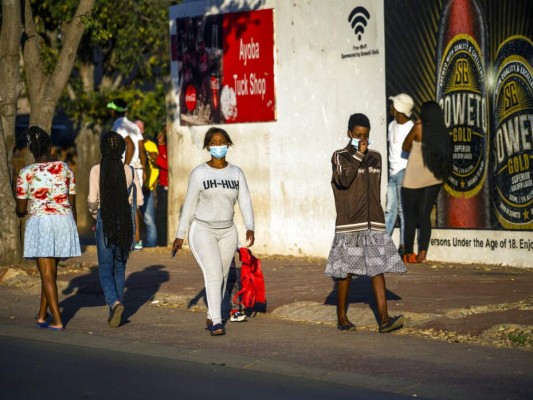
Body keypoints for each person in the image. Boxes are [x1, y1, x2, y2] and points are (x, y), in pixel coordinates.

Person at [325, 114, 406, 333]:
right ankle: (342, 318)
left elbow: (375, 190)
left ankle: (384, 319)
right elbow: (343, 180)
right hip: (349, 224)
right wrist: (358, 155)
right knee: (345, 272)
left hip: (374, 223)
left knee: (377, 269)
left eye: (366, 136)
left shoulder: (376, 157)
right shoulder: (340, 156)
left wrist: (378, 218)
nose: (363, 139)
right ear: (349, 133)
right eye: (358, 135)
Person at [172, 127, 255, 336]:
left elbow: (244, 201)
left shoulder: (236, 172)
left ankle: (212, 312)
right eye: (214, 142)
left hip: (228, 230)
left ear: (228, 144)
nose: (218, 146)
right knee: (214, 273)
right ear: (207, 146)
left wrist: (250, 227)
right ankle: (217, 322)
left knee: (224, 275)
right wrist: (180, 235)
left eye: (222, 142)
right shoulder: (199, 173)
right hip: (203, 230)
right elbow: (189, 204)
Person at [15, 126, 81, 331]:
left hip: (42, 223)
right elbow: (72, 202)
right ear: (49, 147)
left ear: (31, 150)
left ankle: (57, 319)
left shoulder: (26, 173)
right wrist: (73, 227)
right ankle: (43, 315)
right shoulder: (65, 168)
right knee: (50, 272)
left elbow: (21, 208)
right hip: (64, 221)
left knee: (45, 272)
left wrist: (20, 212)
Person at [88, 131, 144, 327]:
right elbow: (139, 200)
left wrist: (96, 215)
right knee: (119, 268)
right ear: (121, 149)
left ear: (103, 148)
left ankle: (114, 302)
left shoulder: (96, 170)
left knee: (105, 268)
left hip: (106, 221)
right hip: (125, 222)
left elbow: (92, 200)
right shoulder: (129, 170)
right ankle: (118, 308)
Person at [401, 101, 453, 264]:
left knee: (410, 217)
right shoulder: (442, 132)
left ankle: (409, 254)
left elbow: (405, 146)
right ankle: (422, 253)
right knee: (424, 216)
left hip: (413, 180)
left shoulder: (418, 128)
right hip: (433, 179)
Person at [107, 99, 146, 250]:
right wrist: (144, 171)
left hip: (126, 170)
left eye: (111, 109)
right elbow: (141, 149)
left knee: (120, 205)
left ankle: (123, 240)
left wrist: (125, 166)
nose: (110, 112)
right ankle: (137, 240)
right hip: (138, 169)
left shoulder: (119, 125)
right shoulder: (133, 126)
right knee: (133, 205)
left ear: (114, 111)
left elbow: (128, 144)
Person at [385, 94, 414, 256]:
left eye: (392, 105)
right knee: (390, 210)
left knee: (403, 211)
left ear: (398, 109)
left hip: (404, 172)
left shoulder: (411, 127)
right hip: (392, 173)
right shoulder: (391, 126)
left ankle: (403, 247)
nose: (390, 107)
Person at [136, 120, 158, 248]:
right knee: (132, 217)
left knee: (149, 219)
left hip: (147, 188)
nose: (138, 130)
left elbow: (156, 161)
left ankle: (151, 246)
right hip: (133, 186)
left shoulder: (150, 145)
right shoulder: (130, 146)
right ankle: (134, 243)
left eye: (140, 128)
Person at [155, 126, 169, 247]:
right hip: (162, 186)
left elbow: (170, 165)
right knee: (160, 216)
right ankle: (161, 242)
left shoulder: (173, 148)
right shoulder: (162, 147)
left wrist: (157, 159)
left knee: (163, 216)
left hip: (168, 187)